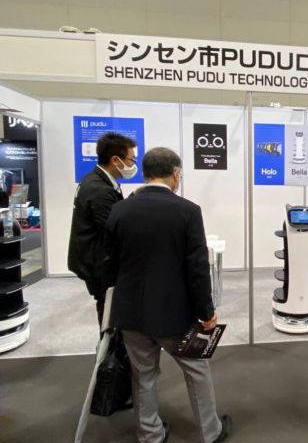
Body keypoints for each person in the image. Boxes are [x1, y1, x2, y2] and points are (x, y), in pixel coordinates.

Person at [103, 148, 231, 443]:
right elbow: (197, 268)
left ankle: (150, 435)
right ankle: (210, 432)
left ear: (144, 173)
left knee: (142, 375)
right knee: (196, 369)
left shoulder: (120, 210)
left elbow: (109, 265)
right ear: (175, 174)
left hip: (130, 312)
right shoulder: (188, 211)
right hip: (175, 314)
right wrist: (206, 311)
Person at [68, 132, 138, 330]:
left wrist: (133, 197)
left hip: (94, 259)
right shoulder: (99, 190)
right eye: (131, 160)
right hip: (98, 264)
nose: (133, 165)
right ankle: (109, 347)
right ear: (116, 160)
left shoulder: (98, 180)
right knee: (109, 314)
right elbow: (114, 229)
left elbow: (113, 212)